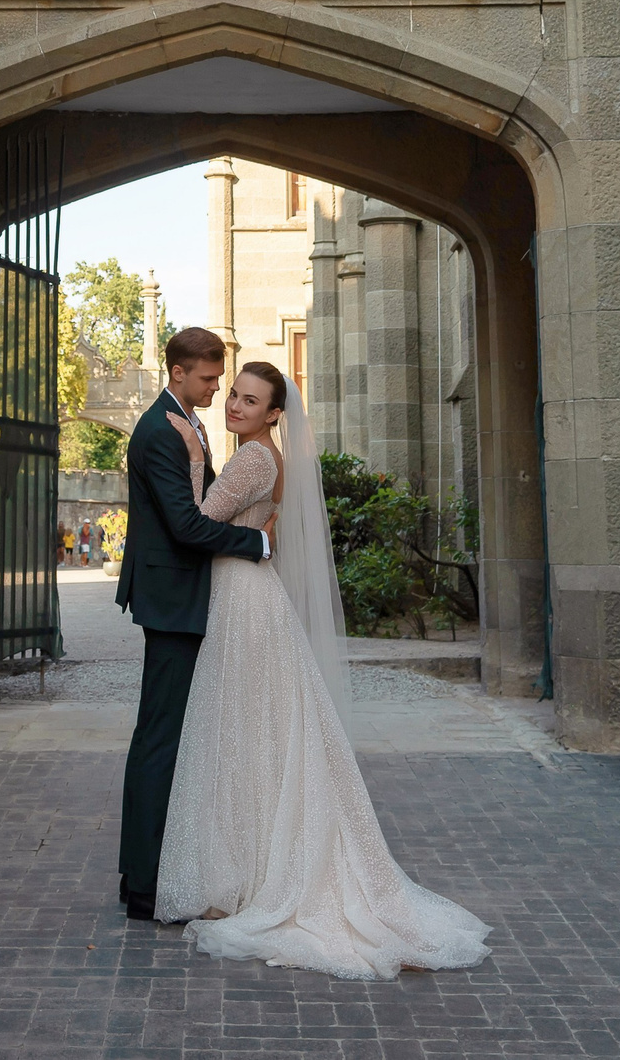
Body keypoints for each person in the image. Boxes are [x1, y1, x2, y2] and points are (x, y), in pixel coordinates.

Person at [155, 360, 491, 979]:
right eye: (232, 394)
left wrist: (189, 455)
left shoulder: (254, 458)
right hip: (245, 593)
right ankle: (249, 862)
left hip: (244, 598)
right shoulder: (261, 454)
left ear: (273, 415)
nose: (234, 405)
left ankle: (256, 873)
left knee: (247, 728)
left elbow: (198, 520)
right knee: (255, 731)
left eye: (249, 401)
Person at [115, 327, 274, 924]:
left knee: (174, 738)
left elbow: (201, 500)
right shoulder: (161, 430)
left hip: (186, 594)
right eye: (209, 380)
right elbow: (186, 525)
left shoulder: (186, 425)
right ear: (178, 372)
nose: (216, 391)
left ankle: (152, 871)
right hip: (173, 597)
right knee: (159, 739)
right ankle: (143, 886)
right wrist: (256, 541)